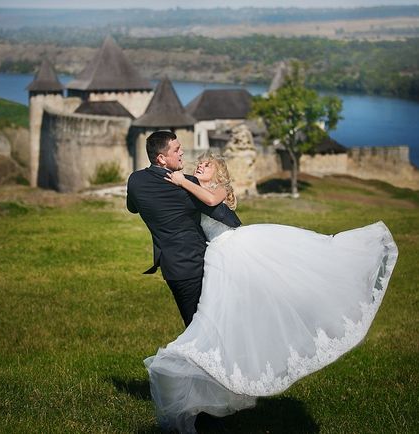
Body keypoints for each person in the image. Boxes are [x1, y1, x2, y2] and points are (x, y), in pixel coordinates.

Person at [144, 152, 398, 433]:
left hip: (235, 247)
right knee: (219, 312)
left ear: (218, 174)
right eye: (200, 164)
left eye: (208, 165)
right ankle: (216, 365)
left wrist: (182, 181)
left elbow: (212, 201)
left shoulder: (217, 189)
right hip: (216, 255)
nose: (200, 166)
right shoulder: (191, 187)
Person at [126, 131, 241, 327]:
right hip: (198, 264)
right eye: (177, 149)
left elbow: (132, 207)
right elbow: (221, 213)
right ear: (162, 158)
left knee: (193, 325)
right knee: (210, 327)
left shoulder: (135, 180)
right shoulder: (187, 184)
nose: (182, 152)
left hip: (172, 268)